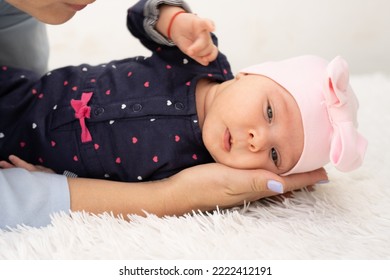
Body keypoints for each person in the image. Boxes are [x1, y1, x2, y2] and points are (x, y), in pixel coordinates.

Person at [0, 0, 334, 229]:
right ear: (249, 75)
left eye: (274, 154)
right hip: (16, 92)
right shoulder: (201, 59)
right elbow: (139, 15)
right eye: (270, 111)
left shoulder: (199, 170)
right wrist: (174, 20)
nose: (258, 138)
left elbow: (107, 189)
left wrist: (47, 179)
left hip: (22, 160)